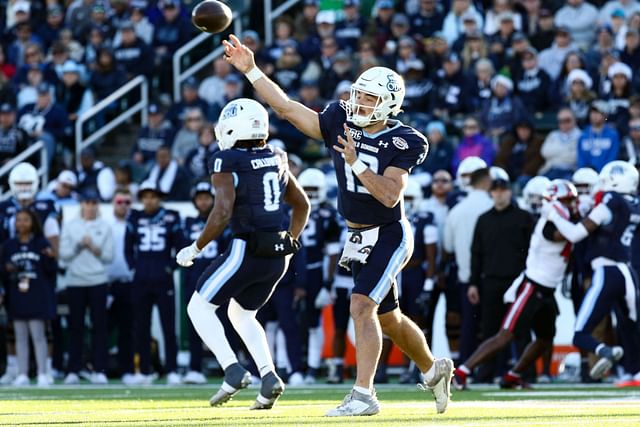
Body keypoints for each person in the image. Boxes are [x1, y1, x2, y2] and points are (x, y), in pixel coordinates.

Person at [222, 34, 453, 416]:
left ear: (390, 104)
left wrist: (357, 161)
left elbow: (390, 196)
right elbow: (287, 109)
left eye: (370, 98)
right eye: (359, 94)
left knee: (361, 305)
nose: (360, 103)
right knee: (389, 319)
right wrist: (251, 70)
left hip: (390, 233)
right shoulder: (340, 119)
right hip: (358, 235)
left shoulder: (405, 140)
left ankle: (364, 396)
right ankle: (433, 369)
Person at [176, 98, 310, 408]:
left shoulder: (227, 159)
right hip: (277, 253)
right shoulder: (278, 157)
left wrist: (196, 247)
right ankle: (269, 378)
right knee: (242, 313)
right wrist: (290, 240)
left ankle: (232, 369)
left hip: (246, 247)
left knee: (198, 307)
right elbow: (302, 205)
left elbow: (222, 211)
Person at [454, 179, 578, 389]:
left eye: (571, 201)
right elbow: (575, 233)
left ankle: (513, 374)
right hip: (532, 286)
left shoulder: (549, 218)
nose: (571, 205)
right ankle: (462, 372)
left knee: (545, 338)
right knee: (505, 334)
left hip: (547, 289)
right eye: (566, 201)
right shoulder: (550, 224)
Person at [545, 161, 640, 380]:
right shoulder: (633, 203)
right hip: (628, 273)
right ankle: (635, 372)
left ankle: (605, 352)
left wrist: (554, 216)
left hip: (607, 272)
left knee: (580, 334)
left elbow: (577, 234)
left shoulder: (611, 201)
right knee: (631, 327)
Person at [457, 175, 535, 385]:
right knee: (490, 328)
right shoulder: (484, 219)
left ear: (510, 192)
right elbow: (476, 253)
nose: (499, 194)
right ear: (491, 193)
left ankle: (523, 372)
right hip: (490, 281)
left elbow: (532, 250)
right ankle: (487, 372)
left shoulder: (524, 217)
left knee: (521, 328)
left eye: (503, 190)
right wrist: (473, 282)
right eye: (496, 190)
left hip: (518, 281)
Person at [125, 181, 184, 385]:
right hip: (141, 280)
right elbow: (127, 248)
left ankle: (172, 370)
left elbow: (180, 247)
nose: (149, 200)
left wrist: (169, 267)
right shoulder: (135, 217)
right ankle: (144, 370)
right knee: (141, 326)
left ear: (160, 198)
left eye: (153, 196)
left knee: (169, 326)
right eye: (146, 196)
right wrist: (134, 267)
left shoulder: (171, 217)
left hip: (163, 279)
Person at [59, 189, 114, 384]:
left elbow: (109, 256)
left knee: (99, 327)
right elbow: (63, 254)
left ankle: (100, 370)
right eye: (86, 202)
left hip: (98, 281)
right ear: (81, 204)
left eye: (93, 202)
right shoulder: (70, 225)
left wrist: (93, 248)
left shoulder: (105, 226)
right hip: (75, 281)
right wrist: (79, 246)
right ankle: (73, 370)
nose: (90, 206)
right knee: (76, 327)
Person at [181, 182, 230, 384]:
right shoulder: (187, 223)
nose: (203, 201)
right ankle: (195, 367)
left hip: (218, 277)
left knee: (226, 323)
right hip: (194, 278)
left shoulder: (223, 221)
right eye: (199, 198)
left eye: (207, 197)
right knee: (196, 324)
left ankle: (229, 366)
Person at [1, 209, 57, 386]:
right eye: (18, 220)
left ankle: (42, 373)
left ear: (33, 222)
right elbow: (2, 271)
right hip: (17, 295)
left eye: (25, 220)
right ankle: (22, 373)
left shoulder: (41, 243)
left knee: (38, 335)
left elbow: (51, 271)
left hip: (37, 295)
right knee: (20, 336)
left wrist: (51, 258)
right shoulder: (9, 245)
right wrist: (7, 269)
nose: (22, 224)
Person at [296, 168, 342, 384]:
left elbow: (333, 252)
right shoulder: (291, 209)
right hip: (292, 269)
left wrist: (328, 283)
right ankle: (289, 366)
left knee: (313, 322)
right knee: (289, 321)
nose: (311, 193)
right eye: (307, 189)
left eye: (315, 189)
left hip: (315, 270)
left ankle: (312, 368)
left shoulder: (329, 214)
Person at [106, 188, 139, 385]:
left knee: (128, 330)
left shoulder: (135, 225)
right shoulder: (106, 225)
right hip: (108, 283)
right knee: (103, 328)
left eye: (127, 202)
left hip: (129, 282)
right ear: (113, 203)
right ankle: (96, 368)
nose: (123, 206)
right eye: (120, 202)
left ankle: (127, 370)